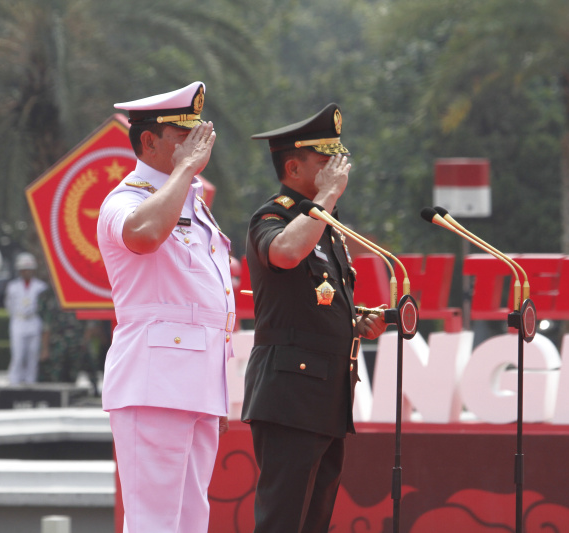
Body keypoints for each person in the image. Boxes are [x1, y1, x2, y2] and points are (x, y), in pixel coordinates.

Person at [242, 103, 388, 532]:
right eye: (324, 161)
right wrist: (324, 199)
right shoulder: (274, 216)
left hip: (326, 398)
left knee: (313, 522)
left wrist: (356, 322)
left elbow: (314, 302)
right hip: (289, 396)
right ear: (293, 166)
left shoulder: (327, 225)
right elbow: (285, 254)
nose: (337, 170)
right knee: (282, 520)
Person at [96, 81, 235, 533]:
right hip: (154, 380)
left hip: (198, 380)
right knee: (154, 522)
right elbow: (144, 235)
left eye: (198, 135)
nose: (195, 146)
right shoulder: (126, 199)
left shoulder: (193, 204)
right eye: (182, 136)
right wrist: (185, 172)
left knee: (193, 520)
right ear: (149, 141)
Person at [36, 286, 98, 394]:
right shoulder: (53, 300)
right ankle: (59, 394)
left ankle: (94, 391)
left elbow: (90, 323)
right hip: (59, 343)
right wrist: (45, 348)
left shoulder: (81, 298)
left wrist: (85, 340)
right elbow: (47, 326)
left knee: (87, 367)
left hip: (79, 342)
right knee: (57, 370)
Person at [4, 252, 47, 385]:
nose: (26, 272)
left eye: (29, 269)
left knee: (33, 353)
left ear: (33, 270)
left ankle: (31, 380)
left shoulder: (41, 286)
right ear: (20, 271)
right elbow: (9, 305)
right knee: (18, 354)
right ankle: (14, 381)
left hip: (34, 320)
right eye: (24, 269)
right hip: (18, 321)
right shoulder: (12, 286)